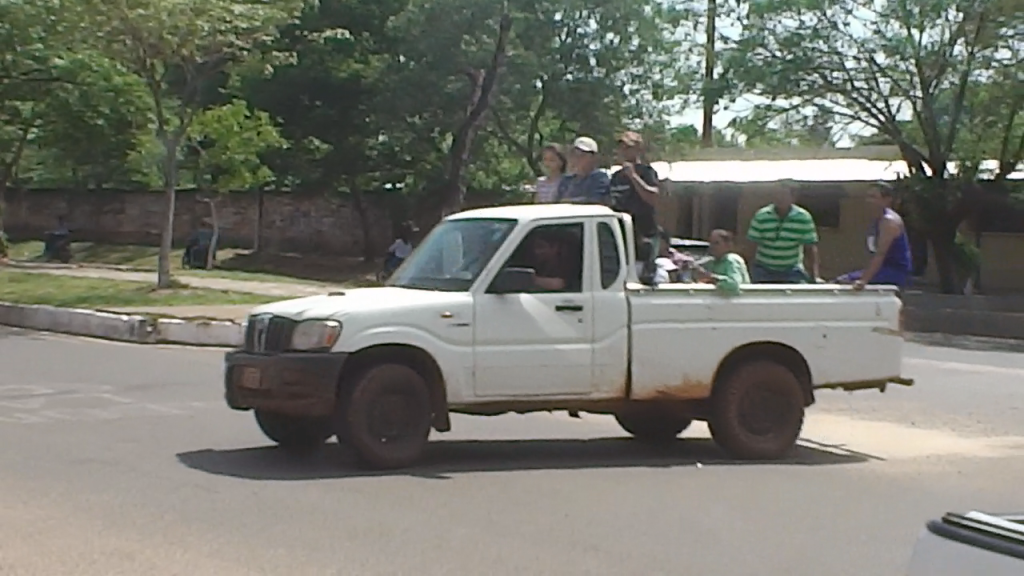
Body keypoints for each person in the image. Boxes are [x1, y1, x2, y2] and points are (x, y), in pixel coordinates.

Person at [836, 182, 913, 290]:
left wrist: (863, 280)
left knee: (844, 283)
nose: (868, 201)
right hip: (883, 268)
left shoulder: (889, 222)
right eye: (868, 197)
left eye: (873, 197)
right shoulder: (878, 219)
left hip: (894, 271)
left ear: (887, 200)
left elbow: (880, 254)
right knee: (841, 279)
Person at [609, 131, 661, 284]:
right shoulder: (616, 176)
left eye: (627, 147)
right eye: (621, 148)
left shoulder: (647, 172)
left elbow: (653, 197)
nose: (623, 151)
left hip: (643, 236)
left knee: (642, 279)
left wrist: (633, 176)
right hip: (622, 235)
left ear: (638, 149)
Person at [746, 181, 821, 283]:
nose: (779, 198)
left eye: (783, 194)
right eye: (777, 194)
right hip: (763, 269)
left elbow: (810, 249)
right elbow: (751, 246)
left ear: (793, 197)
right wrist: (748, 273)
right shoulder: (762, 216)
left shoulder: (803, 217)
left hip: (791, 269)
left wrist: (814, 276)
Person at [556, 136, 611, 204]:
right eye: (574, 154)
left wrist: (569, 202)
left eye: (582, 155)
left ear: (594, 158)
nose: (577, 158)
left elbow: (595, 200)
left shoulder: (600, 178)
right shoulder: (566, 180)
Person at [695, 229, 751, 294]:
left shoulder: (732, 260)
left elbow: (734, 284)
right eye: (711, 243)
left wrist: (711, 277)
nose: (712, 247)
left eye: (716, 243)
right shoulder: (712, 262)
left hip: (740, 301)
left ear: (728, 245)